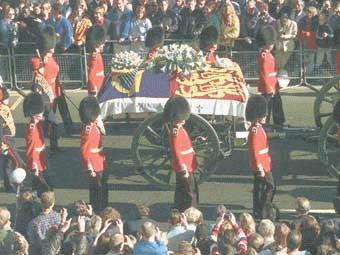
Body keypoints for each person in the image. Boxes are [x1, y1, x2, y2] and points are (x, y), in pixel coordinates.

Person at [37, 24, 73, 139]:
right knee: (50, 117)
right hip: (49, 92)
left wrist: (60, 86)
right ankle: (48, 135)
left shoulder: (51, 57)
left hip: (57, 89)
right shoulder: (42, 61)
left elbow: (55, 72)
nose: (53, 48)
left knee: (64, 112)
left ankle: (68, 128)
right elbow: (39, 80)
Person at [163, 96, 198, 212]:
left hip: (186, 165)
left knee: (182, 191)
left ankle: (179, 209)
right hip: (184, 167)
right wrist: (184, 169)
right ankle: (191, 211)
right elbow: (177, 152)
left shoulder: (179, 129)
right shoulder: (175, 132)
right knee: (190, 192)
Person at [245, 95, 276, 219]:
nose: (265, 117)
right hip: (261, 165)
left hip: (263, 163)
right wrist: (260, 168)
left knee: (259, 188)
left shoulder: (257, 128)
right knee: (270, 186)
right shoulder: (255, 131)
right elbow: (256, 151)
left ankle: (258, 210)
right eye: (263, 115)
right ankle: (264, 208)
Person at [79, 96, 108, 213]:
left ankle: (103, 207)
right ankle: (97, 210)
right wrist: (89, 167)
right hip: (94, 163)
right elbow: (84, 150)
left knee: (102, 188)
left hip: (100, 160)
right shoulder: (88, 129)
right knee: (97, 189)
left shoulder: (94, 124)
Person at [23, 93, 52, 197]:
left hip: (41, 161)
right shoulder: (32, 128)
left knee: (41, 188)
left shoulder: (37, 124)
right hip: (36, 163)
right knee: (42, 189)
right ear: (34, 114)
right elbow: (32, 148)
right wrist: (34, 165)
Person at [31, 56, 60, 155]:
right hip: (43, 108)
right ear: (38, 68)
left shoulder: (39, 77)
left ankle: (53, 146)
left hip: (46, 106)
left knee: (51, 126)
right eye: (42, 66)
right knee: (47, 127)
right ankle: (47, 147)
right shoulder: (37, 80)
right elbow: (38, 96)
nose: (44, 68)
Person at [258, 26, 285, 127]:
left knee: (277, 103)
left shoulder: (267, 53)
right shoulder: (264, 55)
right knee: (267, 106)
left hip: (273, 84)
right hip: (268, 86)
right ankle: (265, 123)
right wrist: (269, 89)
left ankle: (279, 122)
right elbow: (265, 73)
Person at [0, 85, 23, 192]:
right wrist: (2, 146)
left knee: (8, 163)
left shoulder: (4, 108)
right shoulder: (1, 112)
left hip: (8, 138)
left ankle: (9, 184)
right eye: (6, 98)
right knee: (16, 161)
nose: (8, 100)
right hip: (6, 141)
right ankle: (13, 184)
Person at [86, 25, 106, 96]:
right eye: (102, 44)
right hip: (95, 88)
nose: (103, 45)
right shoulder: (94, 57)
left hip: (99, 85)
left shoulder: (97, 55)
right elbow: (91, 74)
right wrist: (93, 87)